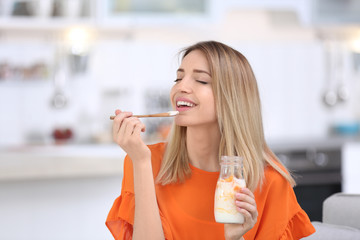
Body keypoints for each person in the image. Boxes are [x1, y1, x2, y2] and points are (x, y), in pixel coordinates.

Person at [106, 41, 315, 240]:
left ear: (232, 98)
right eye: (178, 79)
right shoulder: (144, 161)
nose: (181, 87)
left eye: (201, 80)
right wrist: (141, 163)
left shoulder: (270, 183)